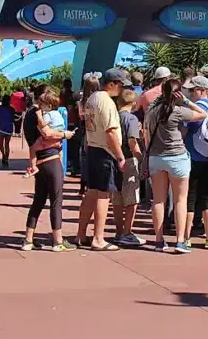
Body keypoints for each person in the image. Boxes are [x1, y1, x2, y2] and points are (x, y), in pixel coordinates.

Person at [144, 77, 208, 253]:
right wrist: (186, 101)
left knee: (158, 200)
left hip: (156, 157)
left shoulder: (152, 111)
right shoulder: (178, 111)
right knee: (180, 200)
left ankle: (158, 240)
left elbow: (146, 131)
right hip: (177, 157)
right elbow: (203, 114)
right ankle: (180, 240)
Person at [75, 68, 132, 251]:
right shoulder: (106, 102)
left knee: (91, 193)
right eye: (121, 85)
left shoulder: (92, 98)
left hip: (92, 149)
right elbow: (111, 132)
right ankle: (98, 238)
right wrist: (120, 157)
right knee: (104, 194)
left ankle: (81, 234)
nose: (122, 89)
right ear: (112, 84)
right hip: (105, 152)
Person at [22, 87, 75, 252]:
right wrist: (65, 135)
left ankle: (28, 239)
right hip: (52, 161)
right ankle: (57, 241)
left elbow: (36, 144)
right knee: (56, 201)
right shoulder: (51, 116)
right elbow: (48, 133)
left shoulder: (37, 117)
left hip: (41, 161)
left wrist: (32, 164)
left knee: (38, 200)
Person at [184, 75, 208, 249]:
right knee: (207, 198)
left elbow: (186, 129)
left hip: (194, 156)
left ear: (201, 91)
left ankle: (186, 237)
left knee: (189, 198)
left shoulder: (197, 108)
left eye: (192, 90)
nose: (190, 94)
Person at [113, 88, 145, 247]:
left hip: (114, 159)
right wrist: (139, 156)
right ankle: (127, 231)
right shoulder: (131, 119)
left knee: (117, 198)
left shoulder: (114, 116)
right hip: (129, 159)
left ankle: (119, 231)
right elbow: (133, 140)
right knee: (132, 198)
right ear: (133, 103)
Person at [0, 95, 15, 169]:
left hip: (1, 127)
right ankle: (6, 158)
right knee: (7, 144)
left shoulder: (0, 108)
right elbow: (13, 119)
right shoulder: (12, 109)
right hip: (9, 128)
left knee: (0, 144)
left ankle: (3, 155)